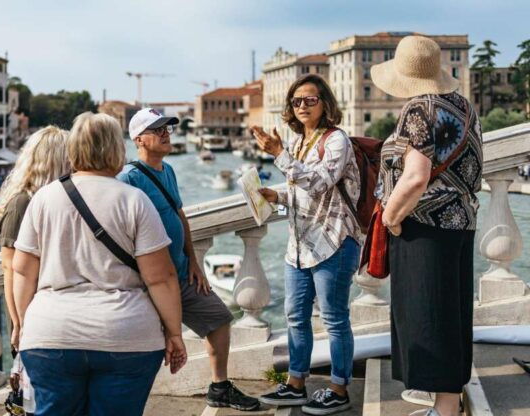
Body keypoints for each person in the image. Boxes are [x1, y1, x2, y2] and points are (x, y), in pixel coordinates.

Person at [12, 112, 187, 415]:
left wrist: (24, 325)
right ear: (117, 149)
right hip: (125, 335)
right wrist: (174, 334)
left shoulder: (44, 198)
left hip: (51, 333)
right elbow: (161, 278)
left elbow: (23, 271)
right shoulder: (134, 200)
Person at [118, 108, 260, 411]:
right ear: (139, 140)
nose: (166, 133)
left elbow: (179, 214)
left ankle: (219, 387)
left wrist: (193, 261)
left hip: (182, 274)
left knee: (219, 319)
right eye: (157, 130)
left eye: (167, 128)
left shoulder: (168, 170)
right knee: (146, 349)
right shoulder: (129, 179)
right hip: (150, 283)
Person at [371, 36, 483, 416]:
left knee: (427, 316)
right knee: (450, 314)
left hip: (426, 226)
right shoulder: (463, 106)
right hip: (459, 224)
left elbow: (416, 176)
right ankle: (448, 403)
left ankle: (445, 409)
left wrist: (390, 217)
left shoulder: (419, 108)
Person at [254, 73, 361, 415]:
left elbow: (319, 183)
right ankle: (296, 383)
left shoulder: (336, 141)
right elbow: (303, 196)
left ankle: (339, 389)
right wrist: (278, 197)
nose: (302, 105)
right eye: (296, 101)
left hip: (334, 242)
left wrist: (279, 154)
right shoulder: (300, 141)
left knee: (334, 319)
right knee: (295, 317)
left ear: (324, 103)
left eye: (310, 100)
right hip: (299, 248)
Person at [0, 126, 71, 416]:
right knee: (35, 397)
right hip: (30, 315)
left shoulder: (57, 201)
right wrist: (19, 323)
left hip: (55, 311)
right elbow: (9, 267)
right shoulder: (22, 203)